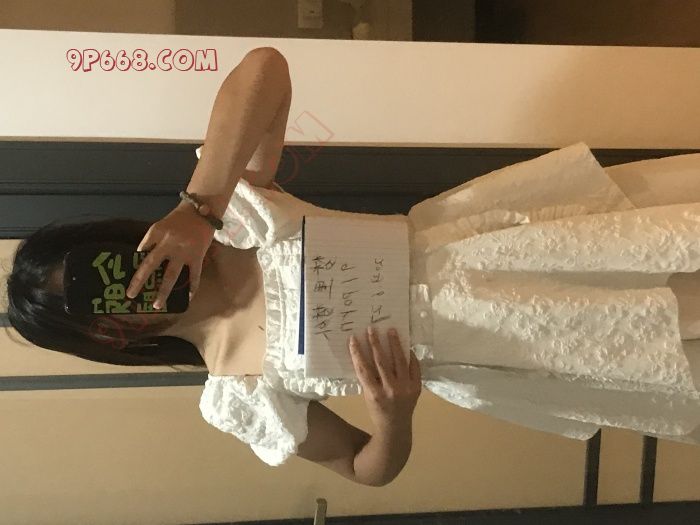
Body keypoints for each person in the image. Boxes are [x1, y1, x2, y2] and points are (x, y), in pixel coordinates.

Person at [6, 47, 700, 487]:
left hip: (500, 244)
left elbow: (264, 69)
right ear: (103, 336)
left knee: (665, 245)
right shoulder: (238, 397)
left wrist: (200, 206)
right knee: (663, 348)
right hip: (508, 350)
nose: (127, 284)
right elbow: (364, 468)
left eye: (104, 266)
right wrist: (393, 415)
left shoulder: (241, 216)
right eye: (96, 302)